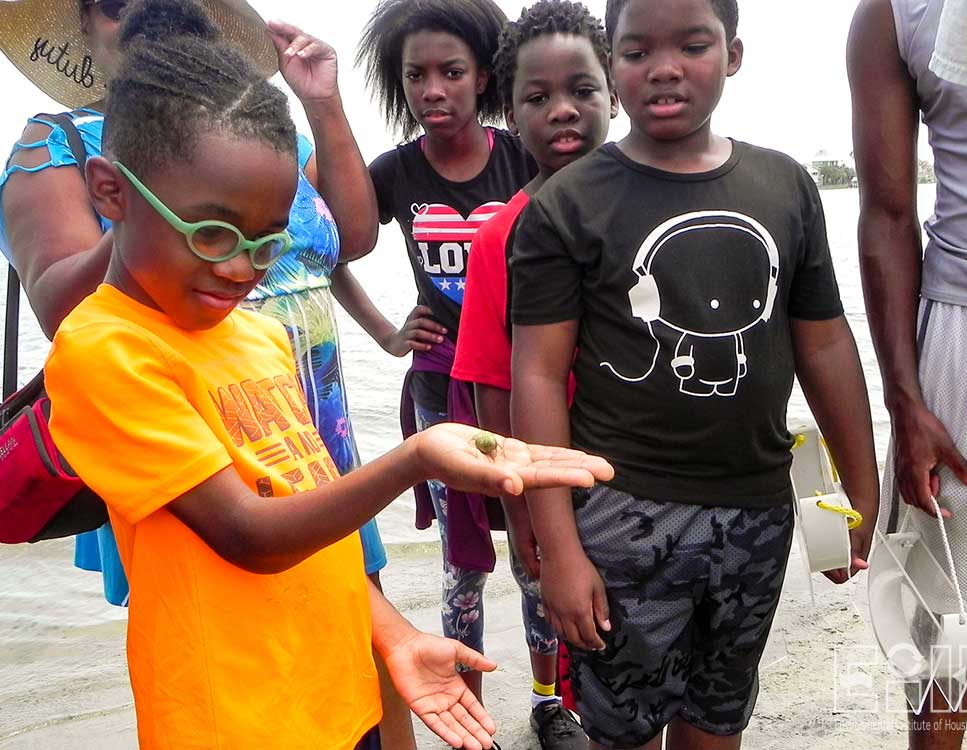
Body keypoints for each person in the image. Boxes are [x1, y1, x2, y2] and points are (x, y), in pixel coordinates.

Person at [42, 2, 614, 748]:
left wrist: (394, 635)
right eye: (211, 233)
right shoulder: (106, 348)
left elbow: (314, 521)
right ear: (111, 192)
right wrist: (412, 457)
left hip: (336, 690)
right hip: (232, 718)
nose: (241, 269)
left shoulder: (251, 336)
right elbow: (249, 535)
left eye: (266, 241)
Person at [509, 0, 881, 748]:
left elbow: (826, 345)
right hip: (624, 516)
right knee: (626, 727)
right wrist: (559, 549)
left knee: (719, 715)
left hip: (759, 508)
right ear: (613, 68)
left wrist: (863, 487)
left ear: (733, 54)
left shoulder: (787, 186)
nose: (665, 67)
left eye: (693, 44)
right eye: (639, 50)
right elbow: (539, 379)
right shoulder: (565, 206)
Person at [342, 0, 537, 705]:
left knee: (533, 552)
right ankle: (469, 707)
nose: (432, 90)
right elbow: (328, 249)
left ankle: (548, 704)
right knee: (463, 567)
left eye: (451, 72)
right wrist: (388, 335)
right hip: (438, 391)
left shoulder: (523, 155)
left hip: (524, 385)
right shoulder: (395, 172)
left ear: (484, 76)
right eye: (415, 75)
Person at [450, 2, 617, 746]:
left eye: (582, 88)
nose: (563, 111)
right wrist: (523, 519)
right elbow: (493, 388)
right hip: (559, 480)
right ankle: (566, 713)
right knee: (586, 630)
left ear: (613, 89)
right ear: (509, 113)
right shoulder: (499, 236)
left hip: (656, 472)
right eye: (537, 97)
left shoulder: (656, 207)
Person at [848, 0, 967, 744]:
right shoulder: (893, 15)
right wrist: (905, 404)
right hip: (963, 325)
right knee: (949, 618)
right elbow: (886, 213)